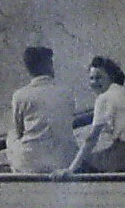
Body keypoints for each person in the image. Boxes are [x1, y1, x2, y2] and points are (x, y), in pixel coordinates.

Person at [57, 56, 125, 175]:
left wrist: (70, 169)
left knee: (83, 163)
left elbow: (92, 138)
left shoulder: (104, 98)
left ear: (111, 77)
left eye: (99, 78)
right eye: (91, 79)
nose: (94, 83)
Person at [7, 45, 77, 174]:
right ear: (49, 64)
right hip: (64, 161)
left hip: (31, 163)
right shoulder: (66, 92)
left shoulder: (19, 95)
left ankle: (17, 172)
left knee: (11, 136)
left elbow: (19, 132)